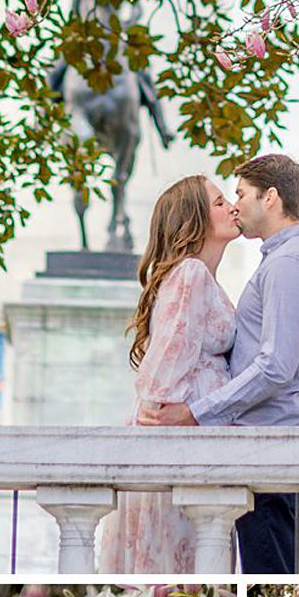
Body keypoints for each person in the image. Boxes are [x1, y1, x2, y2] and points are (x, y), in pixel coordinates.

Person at [136, 152, 299, 573]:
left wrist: (196, 412)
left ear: (271, 199)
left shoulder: (288, 263)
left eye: (241, 194)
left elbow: (276, 366)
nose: (235, 205)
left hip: (270, 442)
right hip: (253, 445)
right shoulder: (275, 263)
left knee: (270, 575)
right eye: (225, 199)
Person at [99, 175, 240, 573]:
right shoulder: (191, 274)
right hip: (180, 446)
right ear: (193, 219)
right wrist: (183, 416)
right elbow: (166, 369)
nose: (231, 206)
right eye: (218, 202)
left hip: (195, 443)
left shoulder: (201, 278)